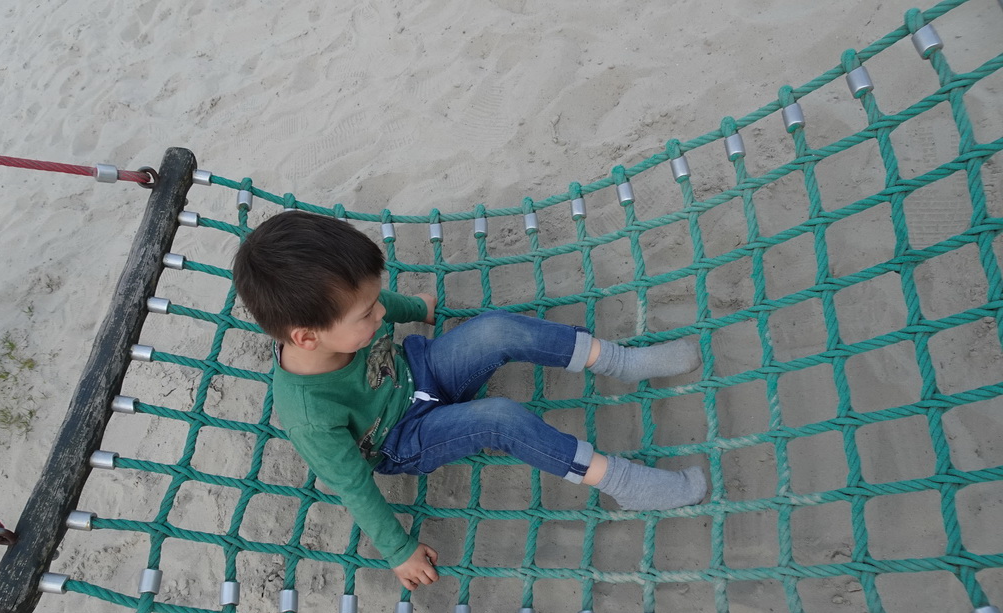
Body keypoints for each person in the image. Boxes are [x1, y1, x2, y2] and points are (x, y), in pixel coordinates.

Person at [233, 211, 707, 591]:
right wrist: (400, 553)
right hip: (404, 438)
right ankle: (623, 482)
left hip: (419, 370)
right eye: (368, 314)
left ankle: (620, 362)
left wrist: (415, 309)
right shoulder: (309, 414)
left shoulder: (344, 318)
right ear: (307, 338)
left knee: (497, 328)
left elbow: (375, 301)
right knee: (501, 418)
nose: (380, 313)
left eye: (377, 303)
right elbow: (355, 487)